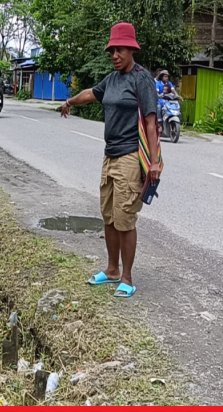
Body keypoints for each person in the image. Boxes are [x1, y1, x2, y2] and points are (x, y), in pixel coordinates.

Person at [58, 22, 161, 299]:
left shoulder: (142, 79)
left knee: (125, 218)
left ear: (131, 49)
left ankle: (127, 277)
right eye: (112, 50)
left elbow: (151, 123)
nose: (115, 55)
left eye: (119, 49)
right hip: (110, 156)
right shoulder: (112, 79)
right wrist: (70, 101)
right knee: (108, 216)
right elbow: (91, 93)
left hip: (131, 156)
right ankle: (112, 269)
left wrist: (154, 162)